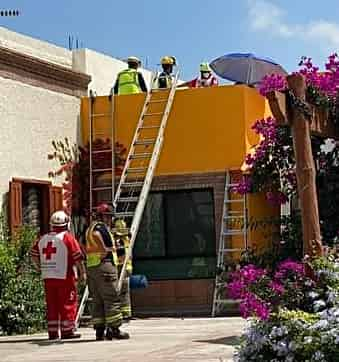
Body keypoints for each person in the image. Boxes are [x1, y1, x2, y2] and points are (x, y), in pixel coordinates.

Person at [30, 210, 86, 340]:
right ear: (67, 224)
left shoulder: (43, 238)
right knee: (68, 303)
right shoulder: (67, 237)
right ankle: (67, 331)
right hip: (64, 276)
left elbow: (33, 255)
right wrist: (83, 273)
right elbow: (77, 257)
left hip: (48, 277)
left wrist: (40, 267)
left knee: (52, 305)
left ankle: (53, 332)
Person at [84, 204, 129, 340]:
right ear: (102, 216)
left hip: (93, 267)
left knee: (97, 300)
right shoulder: (99, 227)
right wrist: (104, 249)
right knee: (111, 297)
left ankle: (99, 331)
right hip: (105, 266)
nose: (110, 219)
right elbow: (97, 235)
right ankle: (114, 329)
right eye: (108, 216)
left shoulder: (90, 227)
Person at [112, 218, 133, 321]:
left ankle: (123, 313)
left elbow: (121, 256)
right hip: (127, 268)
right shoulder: (127, 238)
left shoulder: (119, 241)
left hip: (121, 267)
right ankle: (126, 313)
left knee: (120, 291)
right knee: (125, 292)